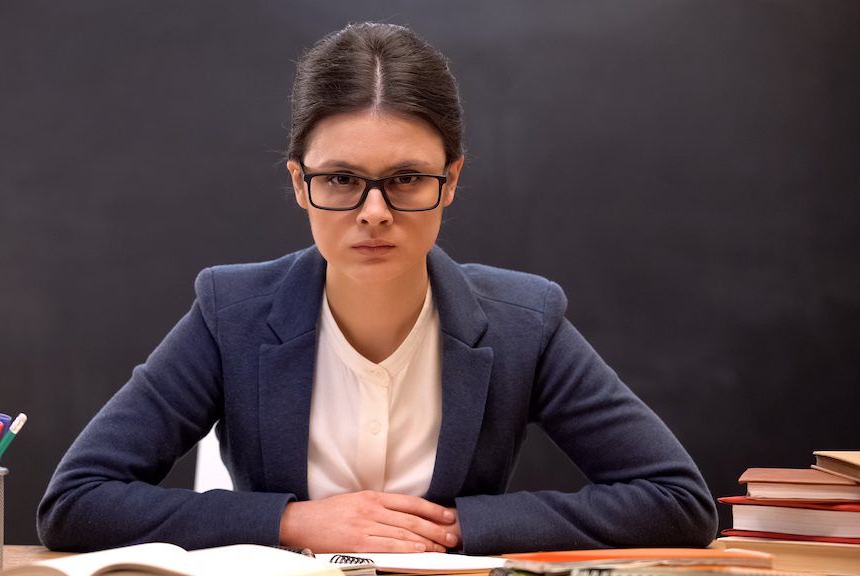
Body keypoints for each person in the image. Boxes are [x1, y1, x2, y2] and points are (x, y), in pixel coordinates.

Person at [37, 22, 717, 555]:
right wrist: (294, 522)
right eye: (339, 179)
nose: (373, 212)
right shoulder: (230, 313)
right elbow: (76, 503)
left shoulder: (523, 322)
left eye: (405, 179)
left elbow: (677, 500)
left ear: (449, 182)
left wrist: (451, 527)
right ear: (300, 184)